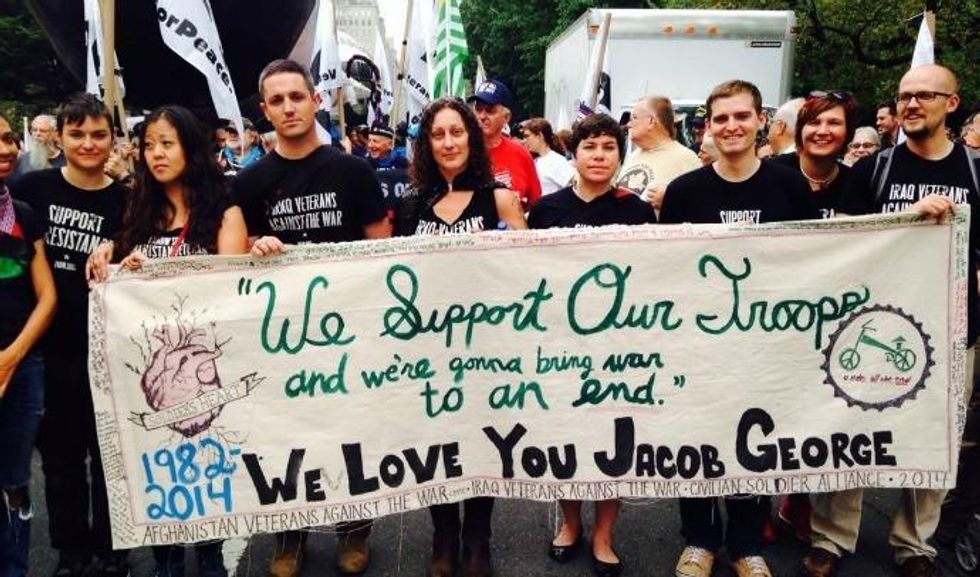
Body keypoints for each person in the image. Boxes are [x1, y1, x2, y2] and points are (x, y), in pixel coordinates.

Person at [805, 63, 980, 577]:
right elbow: (844, 242)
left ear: (951, 104)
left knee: (936, 438)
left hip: (955, 328)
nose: (911, 104)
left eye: (925, 95)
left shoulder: (975, 172)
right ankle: (831, 538)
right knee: (855, 427)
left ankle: (915, 544)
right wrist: (904, 221)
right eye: (905, 96)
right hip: (874, 325)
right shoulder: (873, 170)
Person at [233, 58, 390, 577]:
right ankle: (290, 535)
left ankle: (354, 528)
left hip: (348, 330)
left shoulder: (353, 171)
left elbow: (380, 249)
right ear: (264, 110)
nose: (288, 108)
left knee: (351, 430)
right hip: (281, 334)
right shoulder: (250, 181)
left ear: (316, 100)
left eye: (296, 97)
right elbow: (234, 255)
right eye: (277, 100)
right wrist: (255, 246)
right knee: (286, 434)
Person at [661, 79, 818, 577]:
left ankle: (748, 544)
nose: (731, 126)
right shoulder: (685, 192)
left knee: (757, 438)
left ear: (760, 121)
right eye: (721, 118)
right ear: (708, 125)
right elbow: (662, 268)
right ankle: (699, 540)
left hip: (766, 344)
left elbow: (819, 256)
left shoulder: (790, 186)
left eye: (741, 116)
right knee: (697, 438)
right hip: (699, 344)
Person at [84, 104, 248, 577]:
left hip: (201, 370)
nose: (155, 154)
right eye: (149, 145)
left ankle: (211, 550)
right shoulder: (137, 209)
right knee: (157, 464)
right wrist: (114, 262)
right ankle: (166, 556)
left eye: (167, 144)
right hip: (148, 370)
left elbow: (228, 291)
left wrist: (159, 274)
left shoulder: (224, 211)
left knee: (208, 462)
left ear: (191, 150)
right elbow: (114, 279)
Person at [394, 97, 525, 577]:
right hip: (428, 349)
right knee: (437, 440)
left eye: (456, 132)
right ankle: (444, 534)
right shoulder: (411, 205)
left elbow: (529, 273)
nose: (448, 142)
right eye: (438, 134)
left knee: (482, 438)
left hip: (488, 347)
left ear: (472, 136)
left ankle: (477, 536)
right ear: (426, 145)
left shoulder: (500, 199)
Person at [528, 114, 655, 577]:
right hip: (560, 344)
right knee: (564, 437)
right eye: (590, 147)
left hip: (618, 346)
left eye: (608, 147)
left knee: (610, 440)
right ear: (574, 153)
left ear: (620, 156)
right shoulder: (546, 210)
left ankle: (603, 534)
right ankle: (570, 523)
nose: (599, 156)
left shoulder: (637, 211)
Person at [10, 93, 127, 577]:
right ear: (59, 137)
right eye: (77, 134)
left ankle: (114, 550)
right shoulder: (31, 189)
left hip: (113, 352)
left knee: (112, 459)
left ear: (112, 139)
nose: (88, 144)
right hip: (50, 350)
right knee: (60, 461)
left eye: (98, 134)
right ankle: (71, 552)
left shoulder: (129, 199)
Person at [0, 112, 57, 577]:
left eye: (6, 138)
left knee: (15, 482)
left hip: (22, 368)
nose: (5, 149)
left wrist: (12, 357)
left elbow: (48, 297)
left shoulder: (22, 214)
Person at [770, 90, 858, 220]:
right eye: (814, 122)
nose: (822, 131)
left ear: (848, 132)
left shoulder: (855, 183)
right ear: (800, 130)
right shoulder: (771, 175)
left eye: (833, 123)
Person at [618, 95, 700, 211]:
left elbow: (700, 208)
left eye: (634, 118)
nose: (628, 124)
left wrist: (670, 202)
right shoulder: (635, 155)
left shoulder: (686, 158)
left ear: (651, 121)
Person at [469, 79, 542, 207]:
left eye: (490, 110)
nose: (482, 116)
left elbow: (535, 203)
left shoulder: (520, 153)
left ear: (506, 117)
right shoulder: (461, 151)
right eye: (478, 109)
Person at [520, 117, 574, 196]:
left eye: (527, 136)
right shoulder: (537, 159)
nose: (524, 141)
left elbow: (576, 185)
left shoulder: (556, 161)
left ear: (539, 135)